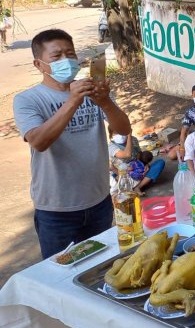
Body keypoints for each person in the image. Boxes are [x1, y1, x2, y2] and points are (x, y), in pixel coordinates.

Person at [13, 29, 131, 258]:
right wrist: (74, 100)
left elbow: (124, 129)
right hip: (57, 210)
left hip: (99, 201)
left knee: (101, 265)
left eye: (70, 54)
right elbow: (39, 141)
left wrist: (105, 101)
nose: (66, 60)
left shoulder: (92, 90)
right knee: (61, 274)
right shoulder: (28, 100)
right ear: (39, 64)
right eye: (56, 56)